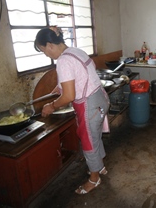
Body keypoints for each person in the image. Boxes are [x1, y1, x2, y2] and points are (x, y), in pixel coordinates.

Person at [34, 27, 110, 194]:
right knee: (95, 136)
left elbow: (69, 96)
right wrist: (60, 86)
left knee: (88, 141)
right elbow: (82, 73)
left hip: (89, 104)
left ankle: (94, 179)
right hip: (100, 98)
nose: (46, 55)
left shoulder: (63, 61)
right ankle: (100, 167)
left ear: (49, 45)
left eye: (43, 50)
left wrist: (52, 105)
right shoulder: (75, 51)